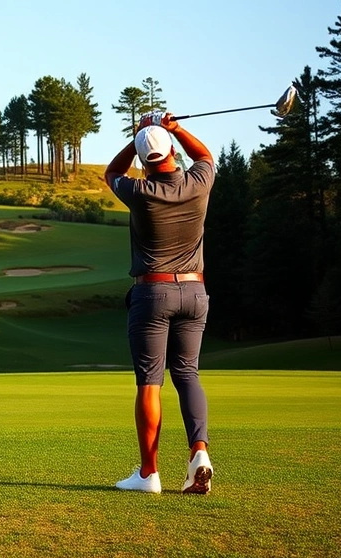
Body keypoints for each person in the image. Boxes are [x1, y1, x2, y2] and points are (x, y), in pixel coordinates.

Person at [103, 111, 215, 494]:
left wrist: (138, 135)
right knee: (188, 374)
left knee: (150, 382)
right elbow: (204, 156)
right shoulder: (199, 182)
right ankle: (199, 452)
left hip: (152, 293)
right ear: (171, 153)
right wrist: (174, 128)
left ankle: (149, 474)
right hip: (195, 292)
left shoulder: (139, 192)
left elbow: (112, 172)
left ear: (143, 161)